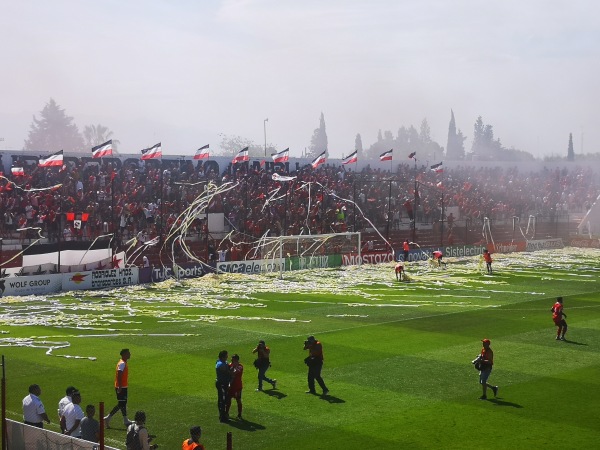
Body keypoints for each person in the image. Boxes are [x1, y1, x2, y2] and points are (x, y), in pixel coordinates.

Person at [105, 348, 132, 428]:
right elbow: (119, 374)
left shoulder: (123, 363)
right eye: (128, 353)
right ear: (124, 354)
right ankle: (108, 417)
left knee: (123, 403)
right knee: (121, 404)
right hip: (121, 387)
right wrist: (120, 386)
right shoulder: (122, 363)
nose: (130, 354)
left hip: (123, 386)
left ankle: (125, 419)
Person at [226, 354, 244, 420]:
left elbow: (234, 373)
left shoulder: (240, 366)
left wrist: (233, 367)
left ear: (236, 360)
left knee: (238, 400)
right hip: (231, 386)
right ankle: (226, 413)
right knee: (228, 399)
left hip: (237, 386)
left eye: (233, 359)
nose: (231, 360)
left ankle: (239, 414)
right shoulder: (230, 365)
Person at [215, 350, 231, 423]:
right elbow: (229, 373)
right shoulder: (221, 365)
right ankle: (222, 417)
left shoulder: (221, 362)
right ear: (223, 356)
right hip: (222, 383)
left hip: (222, 383)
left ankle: (222, 414)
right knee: (222, 400)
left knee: (222, 399)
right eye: (226, 356)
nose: (227, 357)